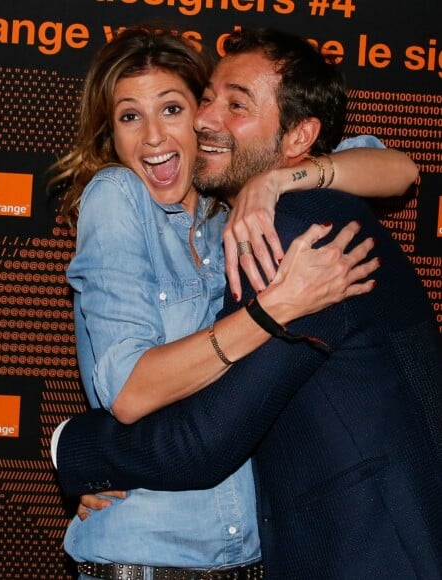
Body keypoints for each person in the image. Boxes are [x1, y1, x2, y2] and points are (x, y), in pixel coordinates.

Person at [50, 27, 422, 579]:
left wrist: (276, 181)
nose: (156, 135)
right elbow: (129, 392)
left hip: (246, 559)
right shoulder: (117, 196)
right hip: (147, 559)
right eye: (130, 117)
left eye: (175, 107)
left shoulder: (231, 215)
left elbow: (400, 169)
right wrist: (272, 311)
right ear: (111, 133)